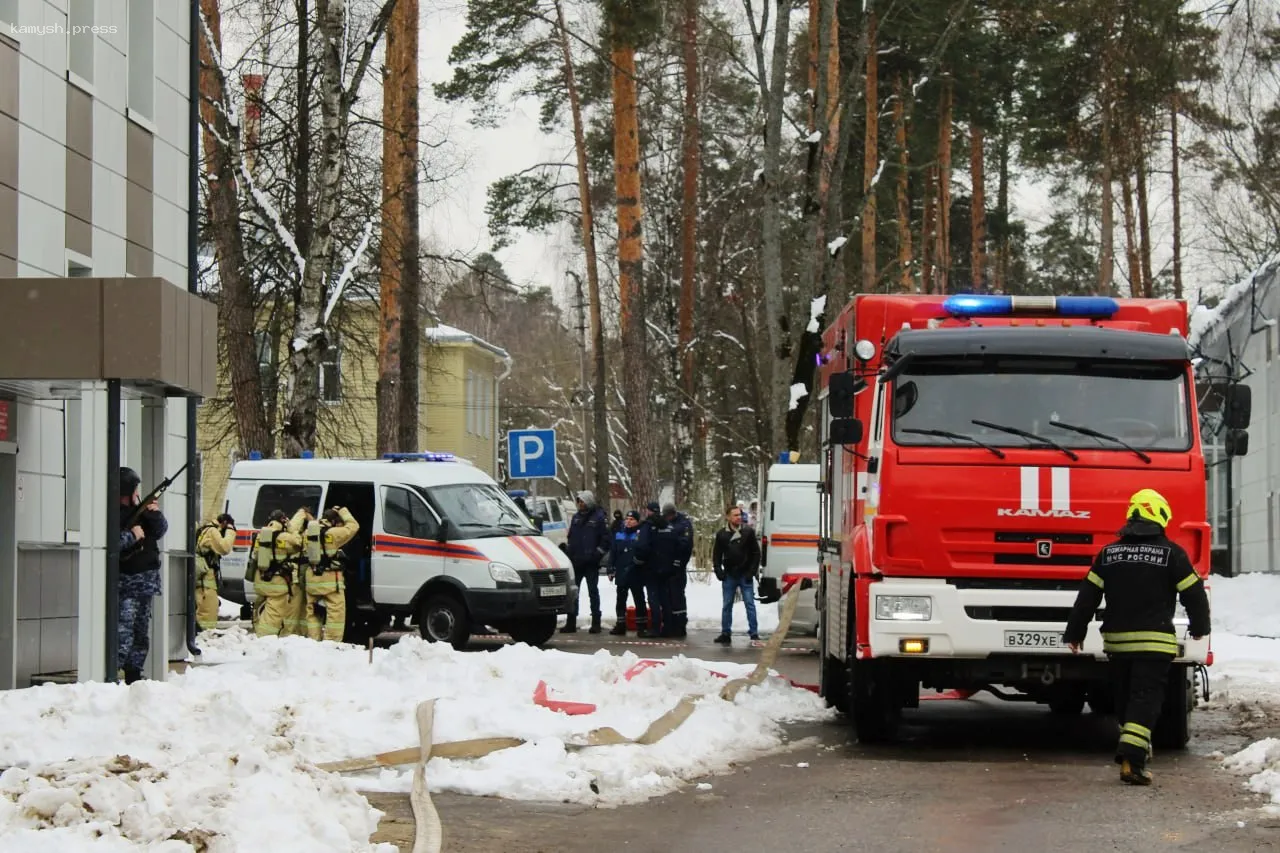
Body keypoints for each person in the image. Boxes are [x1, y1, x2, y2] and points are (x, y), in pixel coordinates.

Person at [1064, 488, 1210, 786]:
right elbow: (1194, 595)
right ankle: (1133, 758)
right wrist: (1199, 627)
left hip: (1118, 643)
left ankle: (1136, 746)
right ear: (1160, 516)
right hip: (1155, 643)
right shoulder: (1172, 554)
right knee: (1146, 698)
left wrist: (1075, 631)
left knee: (1126, 698)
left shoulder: (1109, 553)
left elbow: (1086, 598)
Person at [117, 467, 168, 684]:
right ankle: (114, 673)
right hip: (126, 583)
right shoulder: (114, 514)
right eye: (135, 489)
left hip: (145, 583)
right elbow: (112, 544)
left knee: (140, 632)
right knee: (123, 631)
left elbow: (160, 531)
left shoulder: (142, 511)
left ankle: (134, 674)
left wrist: (154, 514)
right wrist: (132, 535)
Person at [303, 506, 360, 642]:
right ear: (334, 521)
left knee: (313, 613)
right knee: (336, 614)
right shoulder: (334, 533)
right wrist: (343, 511)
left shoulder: (307, 533)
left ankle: (313, 641)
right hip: (330, 582)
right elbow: (354, 526)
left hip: (312, 580)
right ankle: (331, 644)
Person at [561, 490, 610, 634]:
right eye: (579, 502)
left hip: (591, 562)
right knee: (574, 593)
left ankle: (596, 622)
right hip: (576, 561)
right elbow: (572, 537)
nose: (580, 504)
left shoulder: (599, 518)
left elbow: (606, 539)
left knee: (593, 592)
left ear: (588, 502)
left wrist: (597, 554)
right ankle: (571, 621)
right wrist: (569, 551)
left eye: (582, 501)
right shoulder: (576, 518)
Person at [251, 508, 305, 637]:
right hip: (276, 582)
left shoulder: (260, 535)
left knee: (261, 608)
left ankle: (258, 630)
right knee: (274, 612)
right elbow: (299, 544)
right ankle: (264, 638)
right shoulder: (284, 537)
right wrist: (292, 529)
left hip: (261, 579)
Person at [713, 504, 762, 644]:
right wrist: (718, 571)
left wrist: (751, 572)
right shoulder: (722, 534)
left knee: (750, 604)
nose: (738, 517)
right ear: (728, 517)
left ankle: (754, 633)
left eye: (740, 514)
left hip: (744, 574)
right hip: (729, 574)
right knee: (727, 604)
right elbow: (716, 555)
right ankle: (725, 632)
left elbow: (756, 553)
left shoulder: (748, 532)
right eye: (735, 515)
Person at [194, 513, 236, 631]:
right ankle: (205, 634)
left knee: (205, 605)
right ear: (224, 523)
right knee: (209, 608)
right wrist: (231, 531)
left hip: (203, 576)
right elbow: (225, 548)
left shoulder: (206, 528)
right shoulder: (212, 531)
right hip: (205, 578)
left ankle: (203, 632)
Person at [607, 510, 646, 636]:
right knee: (620, 600)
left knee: (639, 599)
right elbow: (613, 553)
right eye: (627, 519)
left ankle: (641, 627)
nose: (628, 521)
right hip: (621, 571)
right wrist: (610, 569)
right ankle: (620, 624)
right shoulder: (619, 534)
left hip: (636, 572)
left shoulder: (640, 534)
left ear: (637, 521)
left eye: (632, 519)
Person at [633, 502, 665, 637]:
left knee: (653, 597)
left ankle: (656, 627)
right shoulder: (666, 524)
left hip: (650, 566)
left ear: (648, 511)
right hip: (664, 566)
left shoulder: (647, 526)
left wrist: (638, 559)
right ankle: (668, 625)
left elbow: (642, 545)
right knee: (664, 597)